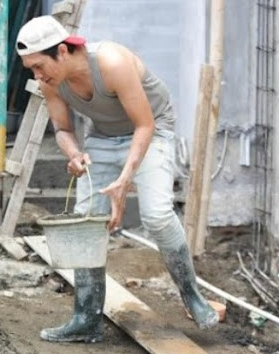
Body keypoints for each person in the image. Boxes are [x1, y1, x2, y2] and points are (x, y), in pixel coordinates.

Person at [15, 16, 218, 343]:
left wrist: (125, 179)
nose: (37, 75)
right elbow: (63, 130)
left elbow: (145, 125)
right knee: (84, 222)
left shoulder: (111, 62)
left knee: (157, 215)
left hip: (152, 129)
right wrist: (73, 155)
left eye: (39, 65)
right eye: (31, 69)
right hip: (104, 137)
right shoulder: (50, 82)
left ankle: (193, 296)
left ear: (63, 51)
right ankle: (86, 317)